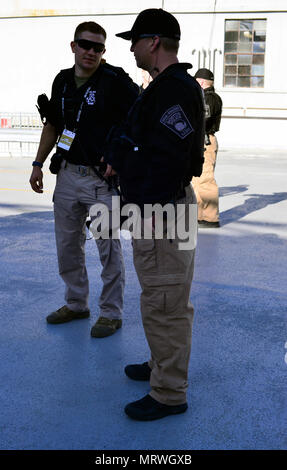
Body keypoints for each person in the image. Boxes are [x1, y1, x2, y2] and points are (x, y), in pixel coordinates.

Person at [103, 8, 205, 420]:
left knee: (166, 302)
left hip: (161, 212)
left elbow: (168, 156)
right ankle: (159, 364)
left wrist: (120, 153)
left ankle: (169, 393)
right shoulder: (165, 86)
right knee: (163, 298)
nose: (130, 48)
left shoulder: (173, 89)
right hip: (160, 209)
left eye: (135, 40)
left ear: (155, 42)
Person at [29, 21, 139, 337]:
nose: (90, 51)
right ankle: (77, 304)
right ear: (73, 46)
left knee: (108, 247)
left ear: (103, 51)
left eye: (97, 47)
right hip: (66, 175)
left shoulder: (115, 80)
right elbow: (53, 124)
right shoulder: (62, 81)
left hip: (101, 180)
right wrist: (38, 163)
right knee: (66, 245)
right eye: (85, 44)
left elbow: (140, 117)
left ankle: (111, 312)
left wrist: (121, 156)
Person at [192, 68, 222, 228]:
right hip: (200, 141)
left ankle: (210, 217)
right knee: (197, 180)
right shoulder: (204, 97)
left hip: (205, 142)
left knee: (206, 179)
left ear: (201, 82)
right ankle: (200, 215)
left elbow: (204, 118)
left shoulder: (211, 98)